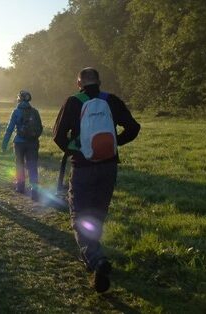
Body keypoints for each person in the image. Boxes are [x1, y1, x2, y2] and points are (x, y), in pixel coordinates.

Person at [53, 67, 140, 293]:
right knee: (98, 211)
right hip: (108, 167)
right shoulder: (111, 100)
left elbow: (58, 136)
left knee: (79, 214)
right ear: (99, 82)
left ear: (78, 83)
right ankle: (94, 252)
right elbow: (133, 128)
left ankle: (96, 259)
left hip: (82, 168)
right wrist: (113, 145)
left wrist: (77, 151)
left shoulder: (73, 102)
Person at [2, 90, 43, 201]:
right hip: (33, 142)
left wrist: (4, 143)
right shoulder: (35, 112)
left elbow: (10, 129)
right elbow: (40, 128)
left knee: (19, 164)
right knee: (32, 165)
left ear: (19, 99)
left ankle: (20, 186)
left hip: (19, 142)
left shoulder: (16, 111)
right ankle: (34, 191)